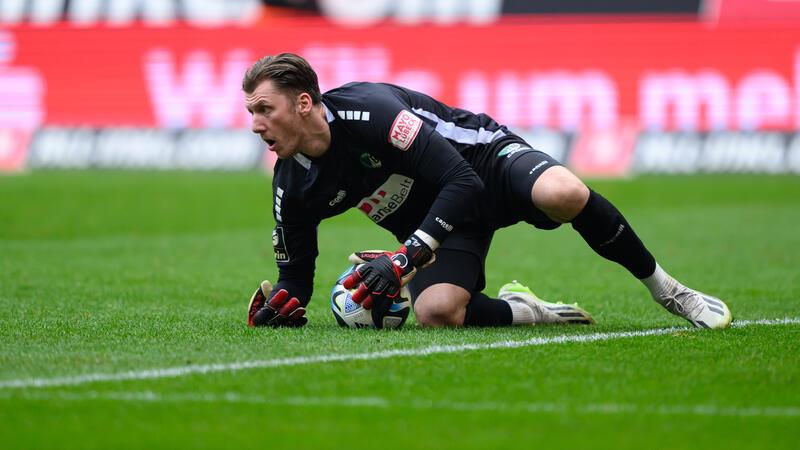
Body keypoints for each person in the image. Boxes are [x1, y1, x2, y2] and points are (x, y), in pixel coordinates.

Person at [244, 53, 732, 330]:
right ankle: (528, 310)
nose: (255, 125)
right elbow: (295, 277)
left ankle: (669, 290)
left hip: (483, 163)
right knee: (435, 314)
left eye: (264, 109)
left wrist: (407, 255)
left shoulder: (369, 113)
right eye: (251, 113)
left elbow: (462, 179)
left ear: (304, 103)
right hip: (442, 221)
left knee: (563, 191)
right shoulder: (292, 183)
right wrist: (283, 305)